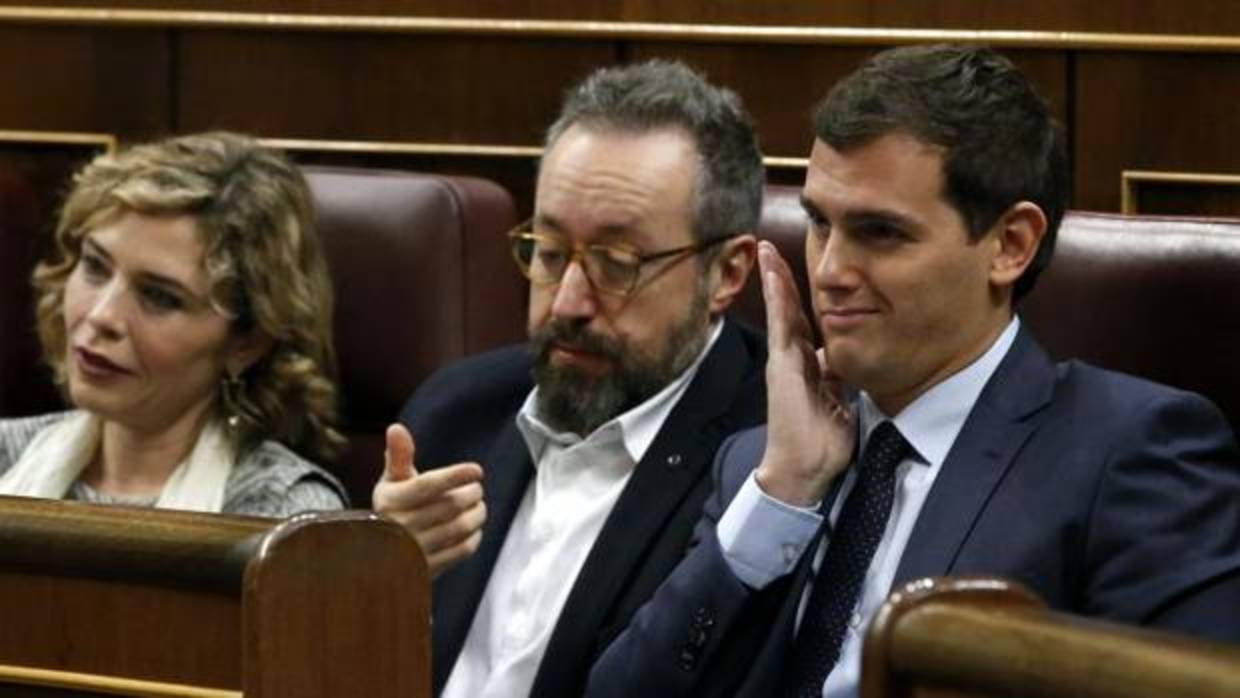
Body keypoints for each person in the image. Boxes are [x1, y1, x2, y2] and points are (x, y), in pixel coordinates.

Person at [586, 44, 1240, 698]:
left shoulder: (1127, 456)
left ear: (1009, 245)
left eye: (880, 233)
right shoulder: (759, 467)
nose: (829, 270)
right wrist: (783, 492)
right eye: (820, 223)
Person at [372, 60, 767, 698]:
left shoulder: (767, 458)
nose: (566, 305)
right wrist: (367, 576)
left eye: (616, 264)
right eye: (550, 253)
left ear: (726, 272)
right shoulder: (455, 412)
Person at [0, 131, 348, 516]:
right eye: (95, 266)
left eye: (160, 297)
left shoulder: (284, 513)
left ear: (247, 342)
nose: (101, 316)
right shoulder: (6, 456)